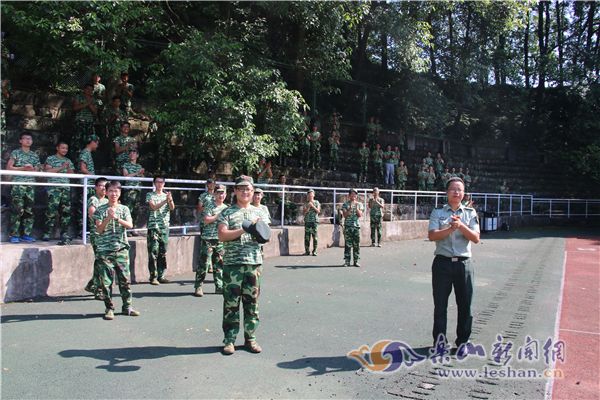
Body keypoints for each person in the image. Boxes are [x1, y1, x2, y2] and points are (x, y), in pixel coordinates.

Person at [428, 177, 480, 349]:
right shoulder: (438, 212)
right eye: (453, 189)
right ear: (447, 192)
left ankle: (463, 342)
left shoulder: (470, 213)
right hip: (442, 264)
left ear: (464, 193)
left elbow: (476, 238)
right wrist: (450, 228)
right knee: (440, 305)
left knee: (465, 305)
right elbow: (432, 235)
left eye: (460, 189)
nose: (456, 192)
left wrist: (460, 226)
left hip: (464, 264)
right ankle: (440, 342)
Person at [217, 176, 267, 355]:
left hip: (254, 263)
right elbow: (222, 235)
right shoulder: (227, 212)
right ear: (235, 191)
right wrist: (244, 229)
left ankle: (250, 338)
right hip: (233, 264)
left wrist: (259, 232)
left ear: (253, 192)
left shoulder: (259, 212)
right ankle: (229, 340)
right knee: (231, 304)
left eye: (248, 189)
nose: (245, 192)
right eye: (241, 189)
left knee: (252, 304)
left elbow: (265, 236)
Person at [93, 181, 140, 320]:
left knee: (125, 281)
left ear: (120, 193)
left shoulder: (124, 209)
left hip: (121, 249)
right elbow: (99, 230)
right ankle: (109, 308)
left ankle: (127, 307)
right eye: (111, 191)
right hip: (104, 251)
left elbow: (130, 225)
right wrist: (108, 218)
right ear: (106, 192)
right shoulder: (100, 210)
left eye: (116, 191)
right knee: (106, 283)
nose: (114, 194)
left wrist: (117, 218)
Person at [7, 132, 41, 243]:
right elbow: (9, 167)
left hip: (31, 184)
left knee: (29, 210)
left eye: (30, 139)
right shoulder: (16, 153)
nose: (28, 140)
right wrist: (23, 168)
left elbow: (38, 169)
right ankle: (14, 235)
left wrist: (32, 169)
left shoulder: (34, 155)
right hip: (18, 184)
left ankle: (26, 234)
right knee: (17, 209)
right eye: (25, 138)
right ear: (20, 141)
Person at [195, 184, 227, 296]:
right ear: (214, 194)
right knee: (204, 264)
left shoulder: (226, 208)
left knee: (219, 264)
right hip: (208, 239)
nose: (221, 195)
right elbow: (206, 219)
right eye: (219, 193)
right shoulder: (209, 205)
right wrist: (219, 216)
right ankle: (198, 286)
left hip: (220, 239)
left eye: (223, 193)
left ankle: (219, 286)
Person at [43, 141, 75, 244]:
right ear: (57, 148)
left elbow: (72, 174)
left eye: (66, 148)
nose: (65, 150)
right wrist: (62, 167)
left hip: (65, 188)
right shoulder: (51, 159)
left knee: (66, 212)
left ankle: (64, 234)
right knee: (51, 212)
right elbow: (48, 171)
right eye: (63, 148)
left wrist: (68, 167)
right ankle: (47, 233)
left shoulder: (68, 161)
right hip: (54, 189)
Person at [146, 175, 176, 285]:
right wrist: (165, 201)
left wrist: (170, 200)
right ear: (154, 183)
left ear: (164, 184)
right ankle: (153, 277)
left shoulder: (166, 195)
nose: (160, 184)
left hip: (164, 227)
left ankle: (161, 275)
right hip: (154, 226)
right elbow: (153, 207)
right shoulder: (150, 195)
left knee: (162, 252)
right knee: (153, 252)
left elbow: (172, 208)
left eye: (161, 182)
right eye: (157, 182)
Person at [84, 177, 108, 299]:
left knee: (104, 261)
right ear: (96, 187)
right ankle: (98, 290)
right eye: (101, 185)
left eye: (105, 186)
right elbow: (92, 214)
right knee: (101, 262)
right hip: (97, 235)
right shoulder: (93, 199)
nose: (103, 188)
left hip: (107, 235)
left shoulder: (108, 201)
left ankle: (91, 285)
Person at [71, 84, 97, 155]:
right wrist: (86, 104)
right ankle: (76, 156)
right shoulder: (78, 97)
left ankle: (86, 156)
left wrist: (89, 104)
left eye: (91, 90)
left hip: (89, 122)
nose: (89, 91)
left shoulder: (93, 99)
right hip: (80, 121)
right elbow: (75, 108)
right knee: (77, 140)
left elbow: (95, 112)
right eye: (88, 89)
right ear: (84, 89)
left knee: (89, 140)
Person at [122, 148, 145, 227]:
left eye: (134, 153)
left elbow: (142, 178)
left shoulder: (139, 166)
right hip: (129, 190)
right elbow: (126, 176)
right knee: (128, 209)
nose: (132, 154)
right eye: (130, 153)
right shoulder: (126, 165)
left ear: (137, 155)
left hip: (138, 190)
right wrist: (137, 173)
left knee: (136, 210)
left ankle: (133, 227)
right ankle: (126, 227)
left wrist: (141, 173)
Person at [341, 188, 364, 267]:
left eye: (355, 194)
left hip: (356, 226)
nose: (353, 195)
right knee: (347, 245)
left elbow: (360, 215)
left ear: (356, 196)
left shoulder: (359, 204)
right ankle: (347, 261)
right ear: (349, 195)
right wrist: (350, 209)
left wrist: (357, 209)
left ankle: (356, 261)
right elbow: (345, 215)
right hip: (348, 226)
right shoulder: (345, 204)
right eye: (352, 194)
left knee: (356, 245)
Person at [303, 189, 321, 256]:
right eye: (309, 194)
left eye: (311, 194)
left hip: (314, 222)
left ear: (314, 195)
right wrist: (308, 207)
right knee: (307, 238)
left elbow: (318, 211)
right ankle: (307, 251)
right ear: (307, 195)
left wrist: (312, 206)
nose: (310, 196)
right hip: (307, 222)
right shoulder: (305, 203)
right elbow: (304, 213)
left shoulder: (317, 202)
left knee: (315, 237)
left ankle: (314, 251)